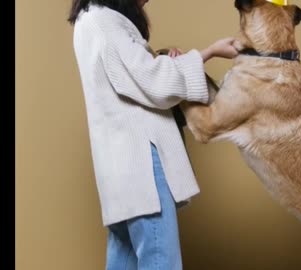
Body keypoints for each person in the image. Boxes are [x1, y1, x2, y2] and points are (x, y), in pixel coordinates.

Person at [68, 0, 238, 269]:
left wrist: (166, 62)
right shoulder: (106, 22)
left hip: (120, 171)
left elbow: (133, 81)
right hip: (142, 167)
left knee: (124, 259)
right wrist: (209, 52)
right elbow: (153, 83)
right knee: (160, 260)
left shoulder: (88, 20)